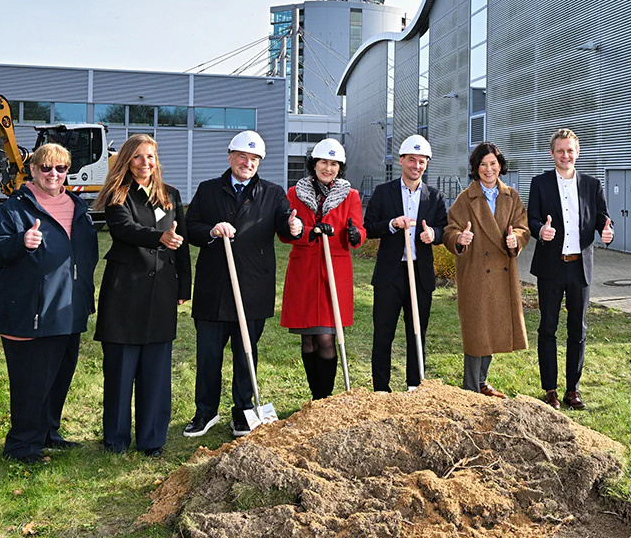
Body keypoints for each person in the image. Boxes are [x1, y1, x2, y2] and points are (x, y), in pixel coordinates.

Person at [0, 143, 99, 464]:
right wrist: (21, 242)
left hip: (68, 309)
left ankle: (48, 433)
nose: (53, 174)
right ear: (33, 170)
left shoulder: (78, 207)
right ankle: (21, 446)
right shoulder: (14, 210)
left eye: (60, 169)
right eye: (46, 168)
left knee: (59, 376)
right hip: (29, 312)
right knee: (31, 383)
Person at [183, 130, 302, 438]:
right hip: (213, 286)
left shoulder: (273, 193)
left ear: (259, 162)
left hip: (252, 286)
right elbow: (190, 227)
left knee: (246, 352)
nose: (247, 163)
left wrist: (294, 226)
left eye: (254, 159)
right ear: (230, 157)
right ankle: (205, 412)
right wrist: (212, 230)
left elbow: (286, 230)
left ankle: (242, 411)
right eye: (242, 157)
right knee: (209, 354)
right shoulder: (208, 190)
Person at [94, 135, 191, 457]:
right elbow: (124, 229)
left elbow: (183, 244)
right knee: (121, 369)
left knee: (156, 370)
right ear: (126, 160)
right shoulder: (117, 195)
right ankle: (116, 439)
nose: (145, 163)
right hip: (125, 289)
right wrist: (159, 237)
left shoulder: (171, 195)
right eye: (137, 157)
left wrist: (183, 287)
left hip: (161, 290)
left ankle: (152, 439)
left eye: (150, 156)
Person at [527, 128, 613, 411]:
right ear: (552, 154)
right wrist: (541, 231)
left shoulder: (591, 184)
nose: (566, 155)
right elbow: (532, 219)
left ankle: (572, 390)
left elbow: (602, 217)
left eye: (570, 150)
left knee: (578, 328)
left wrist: (606, 230)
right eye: (560, 151)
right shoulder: (539, 183)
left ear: (578, 153)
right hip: (551, 267)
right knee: (548, 328)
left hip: (580, 268)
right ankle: (550, 389)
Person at [442, 142, 530, 398]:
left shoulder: (511, 196)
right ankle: (471, 386)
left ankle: (481, 382)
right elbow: (450, 229)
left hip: (502, 273)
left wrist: (518, 241)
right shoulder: (465, 198)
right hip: (476, 271)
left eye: (493, 163)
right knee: (476, 329)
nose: (488, 169)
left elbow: (522, 227)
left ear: (500, 166)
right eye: (483, 164)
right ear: (475, 168)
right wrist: (459, 239)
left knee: (491, 327)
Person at [280, 138, 364, 400]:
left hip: (334, 272)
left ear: (340, 167)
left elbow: (360, 230)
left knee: (327, 338)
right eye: (323, 162)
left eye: (334, 164)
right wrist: (309, 232)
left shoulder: (350, 196)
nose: (328, 168)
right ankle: (314, 396)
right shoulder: (294, 193)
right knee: (308, 339)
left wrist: (353, 235)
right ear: (313, 164)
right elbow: (286, 232)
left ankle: (323, 399)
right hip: (304, 271)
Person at [363, 134, 448, 392]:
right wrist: (391, 225)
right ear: (401, 161)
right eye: (412, 160)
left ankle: (414, 385)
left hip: (419, 275)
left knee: (416, 333)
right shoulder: (383, 192)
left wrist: (433, 233)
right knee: (384, 334)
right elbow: (369, 227)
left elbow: (444, 228)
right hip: (390, 274)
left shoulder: (434, 197)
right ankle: (381, 388)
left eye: (422, 161)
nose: (417, 166)